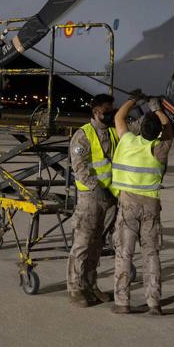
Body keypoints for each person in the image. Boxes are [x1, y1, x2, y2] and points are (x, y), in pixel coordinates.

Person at [111, 94, 173, 315]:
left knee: (124, 254)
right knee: (151, 254)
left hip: (128, 204)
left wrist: (132, 101)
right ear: (156, 132)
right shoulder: (159, 149)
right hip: (151, 205)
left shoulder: (127, 141)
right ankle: (154, 303)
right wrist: (157, 109)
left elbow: (119, 118)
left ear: (139, 128)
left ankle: (122, 302)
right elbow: (168, 131)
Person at [67, 93, 118, 307]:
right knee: (83, 244)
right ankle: (75, 288)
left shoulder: (114, 132)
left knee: (97, 245)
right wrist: (97, 188)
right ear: (96, 112)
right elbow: (79, 167)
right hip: (90, 197)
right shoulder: (83, 135)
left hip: (110, 198)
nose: (111, 114)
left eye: (112, 110)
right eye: (107, 110)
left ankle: (91, 284)